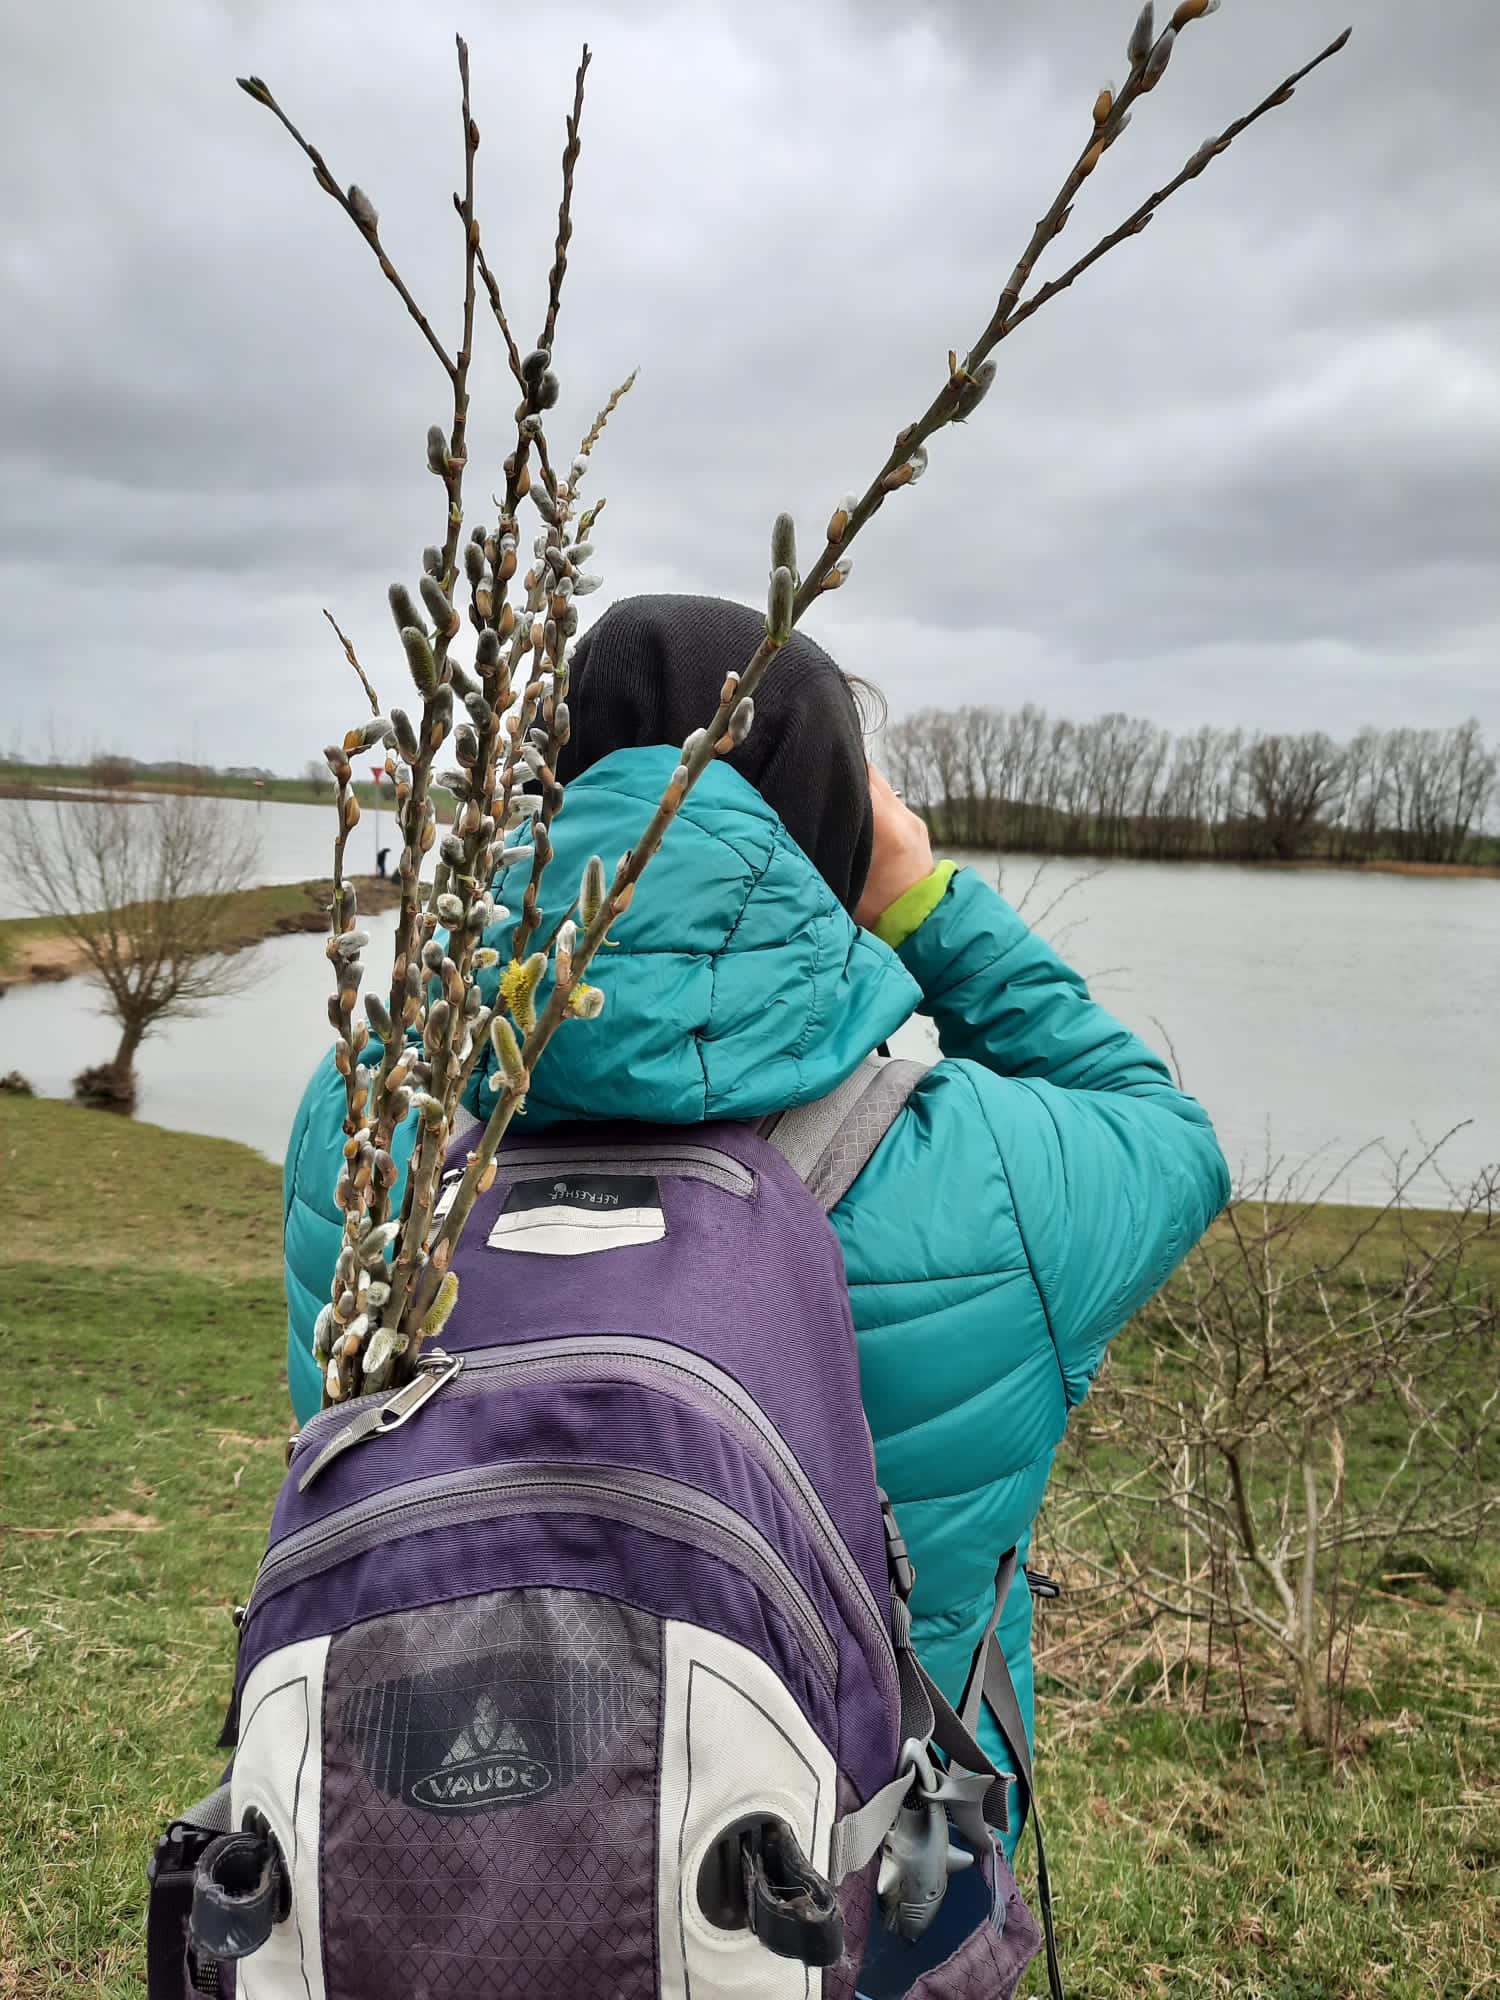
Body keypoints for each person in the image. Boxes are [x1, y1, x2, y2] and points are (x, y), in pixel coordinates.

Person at [281, 592, 1230, 1983]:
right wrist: (922, 902)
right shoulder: (984, 1172)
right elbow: (1168, 1137)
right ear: (840, 830)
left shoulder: (371, 1132)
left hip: (426, 1899)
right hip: (857, 1922)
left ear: (543, 802)